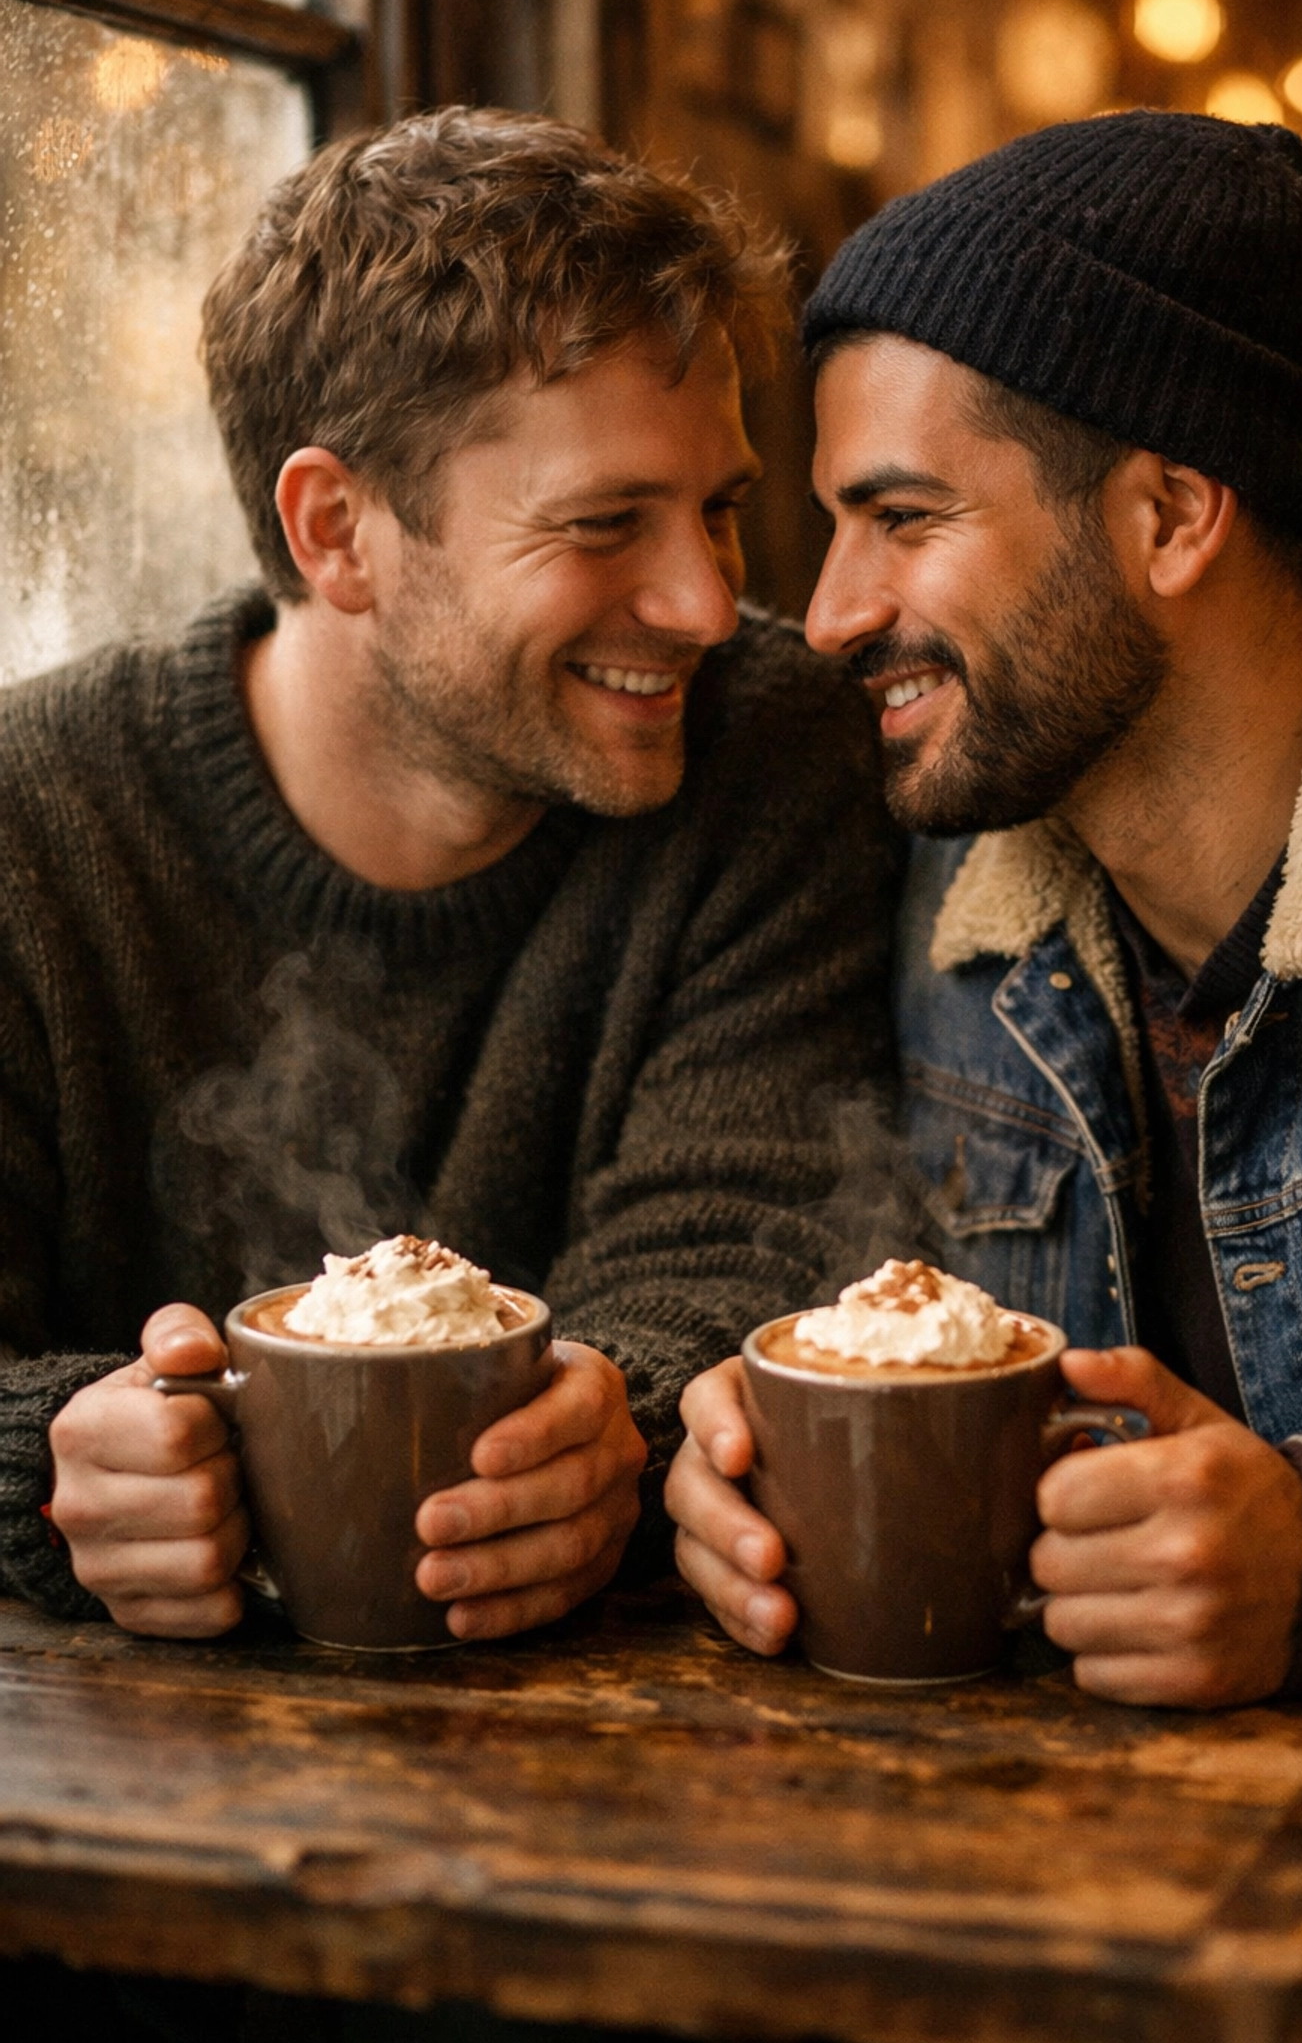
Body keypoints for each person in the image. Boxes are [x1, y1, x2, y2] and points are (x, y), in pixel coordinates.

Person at [668, 110, 1302, 1717]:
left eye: (905, 518)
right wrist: (752, 1462)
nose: (837, 611)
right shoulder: (957, 889)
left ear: (1170, 515)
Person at [0, 107, 897, 1645]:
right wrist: (49, 1464)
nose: (706, 602)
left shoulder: (778, 752)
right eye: (607, 524)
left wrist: (621, 1425)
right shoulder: (37, 824)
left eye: (723, 507)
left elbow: (737, 1248)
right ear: (337, 529)